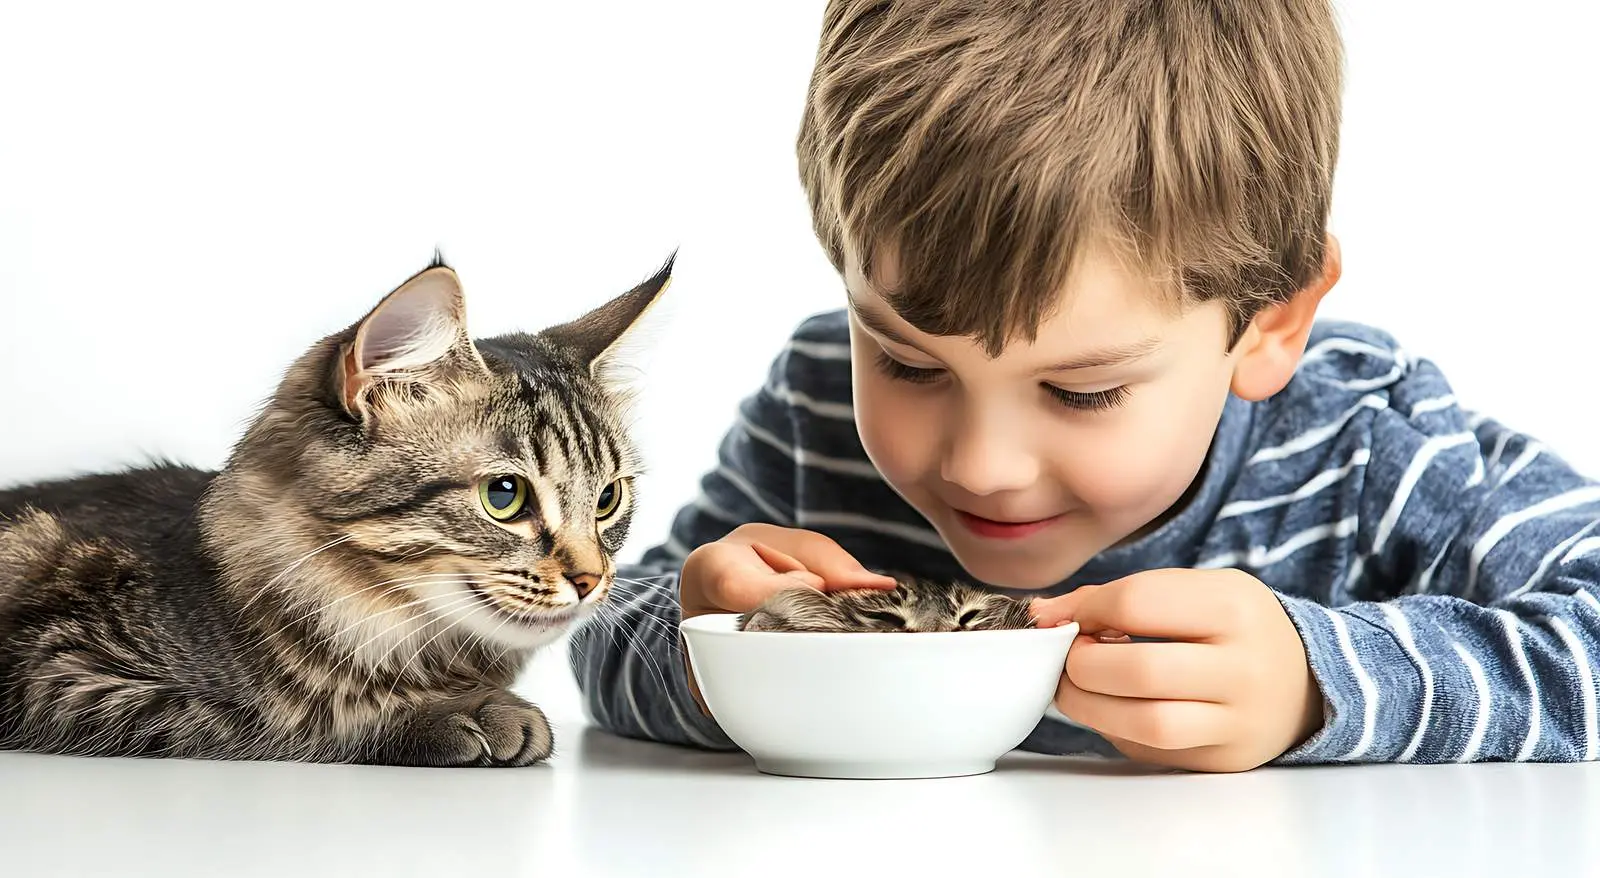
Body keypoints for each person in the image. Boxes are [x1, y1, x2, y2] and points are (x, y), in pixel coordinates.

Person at [571, 0, 1600, 772]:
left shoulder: (1371, 449)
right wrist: (713, 649)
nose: (981, 465)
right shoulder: (814, 413)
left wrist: (1316, 682)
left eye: (1084, 392)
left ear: (1272, 318)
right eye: (908, 361)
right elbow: (611, 645)